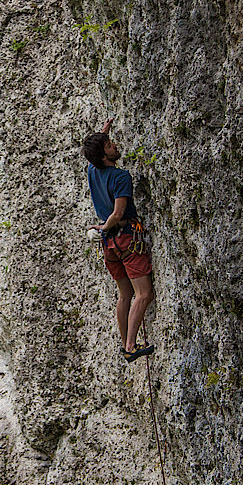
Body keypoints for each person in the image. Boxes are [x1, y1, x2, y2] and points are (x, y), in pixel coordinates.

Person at [82, 118, 155, 362]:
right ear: (104, 155)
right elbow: (118, 213)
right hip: (126, 239)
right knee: (144, 294)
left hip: (110, 246)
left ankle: (126, 343)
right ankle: (131, 346)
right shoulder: (121, 177)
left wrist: (104, 130)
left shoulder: (93, 170)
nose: (114, 145)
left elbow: (93, 153)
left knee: (125, 295)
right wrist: (105, 226)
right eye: (110, 145)